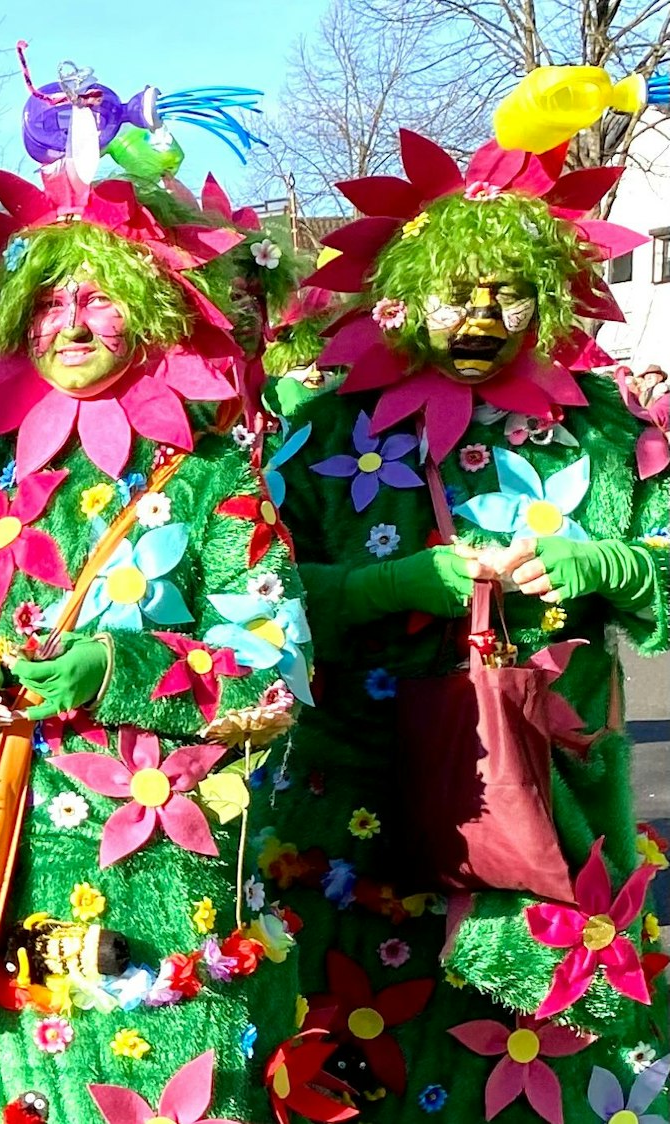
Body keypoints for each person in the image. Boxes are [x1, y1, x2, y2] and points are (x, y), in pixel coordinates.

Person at [0, 163, 307, 1122]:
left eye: (100, 302)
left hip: (138, 863)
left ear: (155, 312)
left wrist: (117, 668)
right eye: (48, 304)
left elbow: (273, 670)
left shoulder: (213, 477)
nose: (72, 327)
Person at [265, 126, 667, 1122]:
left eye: (507, 292)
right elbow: (249, 597)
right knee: (364, 1035)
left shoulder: (606, 429)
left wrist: (607, 563)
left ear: (550, 296)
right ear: (404, 295)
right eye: (455, 291)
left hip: (555, 802)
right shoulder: (328, 430)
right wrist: (387, 584)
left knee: (550, 1055)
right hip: (360, 796)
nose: (480, 315)